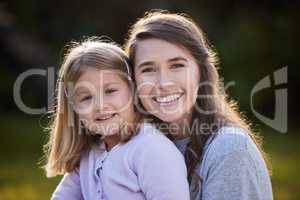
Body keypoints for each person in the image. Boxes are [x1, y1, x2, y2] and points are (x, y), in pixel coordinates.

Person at [124, 11, 273, 200]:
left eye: (177, 65)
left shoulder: (230, 150)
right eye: (148, 69)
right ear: (133, 80)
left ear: (201, 72)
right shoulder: (137, 148)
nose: (163, 83)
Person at [43, 38, 190, 200]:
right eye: (86, 98)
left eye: (110, 91)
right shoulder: (90, 154)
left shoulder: (152, 150)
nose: (100, 105)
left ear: (133, 90)